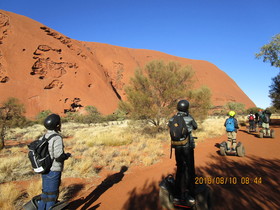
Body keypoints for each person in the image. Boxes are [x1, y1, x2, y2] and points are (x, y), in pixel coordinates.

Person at [38, 114, 71, 210]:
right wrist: (66, 156)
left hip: (44, 169)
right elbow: (58, 156)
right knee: (52, 196)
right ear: (57, 125)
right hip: (54, 169)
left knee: (45, 194)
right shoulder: (57, 138)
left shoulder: (43, 137)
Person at [168, 100, 197, 206]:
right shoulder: (189, 118)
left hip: (177, 147)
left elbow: (170, 126)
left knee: (180, 169)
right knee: (190, 169)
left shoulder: (172, 118)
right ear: (187, 108)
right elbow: (195, 126)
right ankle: (191, 196)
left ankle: (177, 196)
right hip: (188, 147)